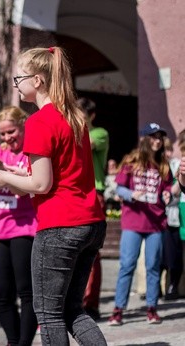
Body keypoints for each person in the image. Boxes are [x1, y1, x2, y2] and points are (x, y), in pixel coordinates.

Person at [0, 46, 107, 345]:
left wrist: (2, 176)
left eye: (19, 77)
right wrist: (14, 176)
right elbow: (59, 175)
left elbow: (41, 185)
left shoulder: (39, 120)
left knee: (48, 313)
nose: (16, 83)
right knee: (72, 309)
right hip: (90, 220)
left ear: (37, 80)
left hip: (60, 223)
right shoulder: (74, 116)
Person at [0, 105, 38, 345]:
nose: (6, 138)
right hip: (0, 228)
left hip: (26, 228)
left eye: (11, 131)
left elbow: (28, 188)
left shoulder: (32, 153)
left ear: (23, 127)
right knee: (1, 293)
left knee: (27, 292)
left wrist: (5, 174)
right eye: (2, 133)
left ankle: (23, 343)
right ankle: (13, 340)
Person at [107, 122, 173, 326]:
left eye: (160, 137)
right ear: (144, 140)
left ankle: (152, 308)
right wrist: (131, 194)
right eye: (153, 137)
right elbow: (119, 189)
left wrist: (167, 193)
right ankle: (118, 310)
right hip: (133, 223)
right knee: (127, 265)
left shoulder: (163, 165)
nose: (158, 141)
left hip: (155, 223)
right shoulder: (130, 162)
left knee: (153, 266)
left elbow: (169, 187)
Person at [77, 97, 109, 321]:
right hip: (74, 192)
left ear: (91, 116)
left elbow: (83, 144)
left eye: (83, 115)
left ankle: (91, 304)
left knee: (92, 252)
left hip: (94, 193)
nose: (79, 119)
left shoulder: (99, 133)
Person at [162, 136, 182, 300]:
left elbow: (178, 189)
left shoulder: (175, 164)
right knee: (158, 256)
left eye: (169, 149)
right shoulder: (156, 165)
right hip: (156, 218)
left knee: (173, 254)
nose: (167, 153)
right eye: (165, 150)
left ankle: (172, 286)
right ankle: (156, 289)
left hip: (172, 216)